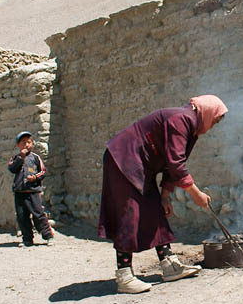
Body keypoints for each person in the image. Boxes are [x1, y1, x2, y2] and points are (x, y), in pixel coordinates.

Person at [98, 95, 228, 293]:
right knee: (129, 215)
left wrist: (165, 196)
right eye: (215, 120)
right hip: (123, 160)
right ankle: (124, 275)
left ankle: (169, 265)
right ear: (207, 112)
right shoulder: (181, 119)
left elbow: (172, 164)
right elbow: (176, 163)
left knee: (156, 209)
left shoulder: (191, 128)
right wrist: (195, 193)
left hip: (142, 166)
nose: (212, 126)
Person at [8, 131, 54, 247]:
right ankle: (27, 239)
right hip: (19, 192)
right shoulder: (15, 158)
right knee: (22, 216)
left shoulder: (35, 158)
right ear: (18, 145)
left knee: (38, 214)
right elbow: (12, 169)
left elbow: (43, 172)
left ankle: (48, 236)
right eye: (23, 143)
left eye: (29, 142)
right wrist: (20, 158)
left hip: (33, 191)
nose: (26, 145)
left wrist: (34, 177)